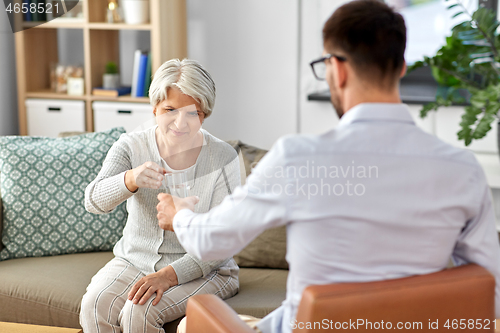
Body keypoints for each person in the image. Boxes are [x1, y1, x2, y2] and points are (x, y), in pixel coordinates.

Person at [156, 1, 500, 333]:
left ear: (337, 68)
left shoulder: (298, 158)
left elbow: (212, 241)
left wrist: (180, 214)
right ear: (401, 67)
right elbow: (490, 292)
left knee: (192, 321)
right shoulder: (462, 170)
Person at [80, 59, 240, 333]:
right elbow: (93, 201)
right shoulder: (131, 146)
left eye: (193, 113)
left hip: (207, 268)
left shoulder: (223, 157)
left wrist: (168, 275)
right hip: (134, 260)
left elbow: (223, 241)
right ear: (154, 108)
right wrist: (129, 179)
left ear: (204, 115)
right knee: (94, 307)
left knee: (138, 313)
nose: (181, 123)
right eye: (170, 110)